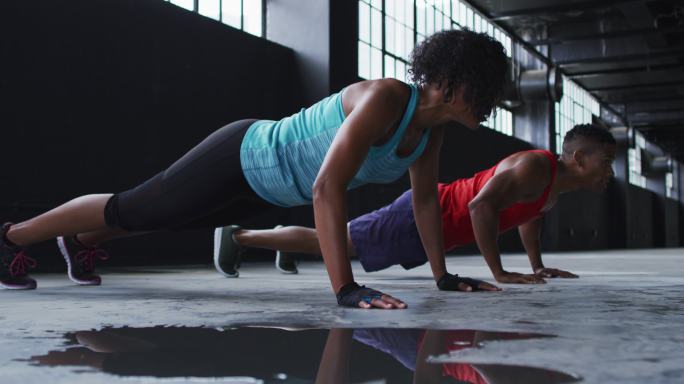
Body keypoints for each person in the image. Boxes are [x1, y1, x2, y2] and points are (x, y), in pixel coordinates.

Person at [0, 29, 508, 309]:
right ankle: (12, 237)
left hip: (267, 190)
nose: (489, 105)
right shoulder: (384, 98)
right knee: (134, 205)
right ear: (453, 80)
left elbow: (423, 203)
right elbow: (328, 186)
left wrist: (441, 277)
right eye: (483, 90)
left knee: (162, 220)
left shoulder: (429, 135)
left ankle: (79, 243)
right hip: (246, 155)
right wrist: (345, 288)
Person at [214, 124, 616, 285]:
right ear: (579, 158)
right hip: (425, 216)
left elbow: (529, 217)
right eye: (607, 161)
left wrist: (536, 265)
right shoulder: (534, 166)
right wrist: (499, 273)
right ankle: (240, 236)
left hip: (433, 231)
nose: (610, 171)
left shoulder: (552, 186)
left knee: (330, 240)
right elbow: (481, 207)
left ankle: (284, 247)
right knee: (335, 243)